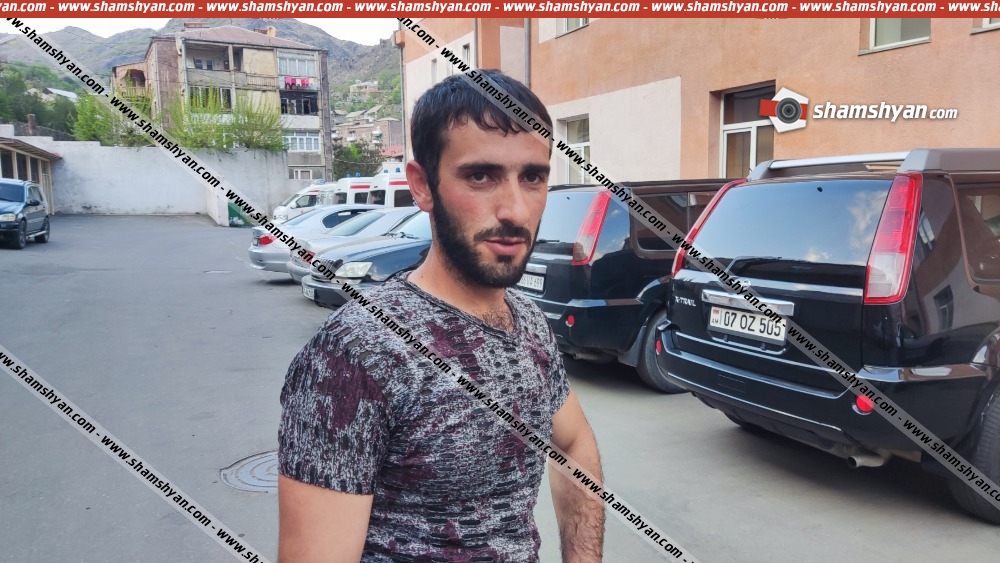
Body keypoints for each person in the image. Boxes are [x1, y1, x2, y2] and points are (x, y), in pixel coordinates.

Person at [278, 69, 604, 562]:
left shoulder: (528, 321)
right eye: (481, 176)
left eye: (532, 177)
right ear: (422, 186)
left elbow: (574, 442)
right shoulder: (355, 353)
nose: (516, 210)